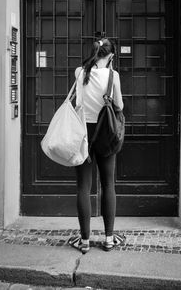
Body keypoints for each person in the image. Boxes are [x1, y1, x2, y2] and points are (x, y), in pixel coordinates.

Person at [68, 38, 124, 254]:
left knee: (83, 186)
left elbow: (77, 101)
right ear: (110, 56)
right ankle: (109, 239)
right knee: (109, 184)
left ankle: (84, 242)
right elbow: (119, 105)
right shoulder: (113, 76)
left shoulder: (80, 73)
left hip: (83, 133)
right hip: (105, 134)